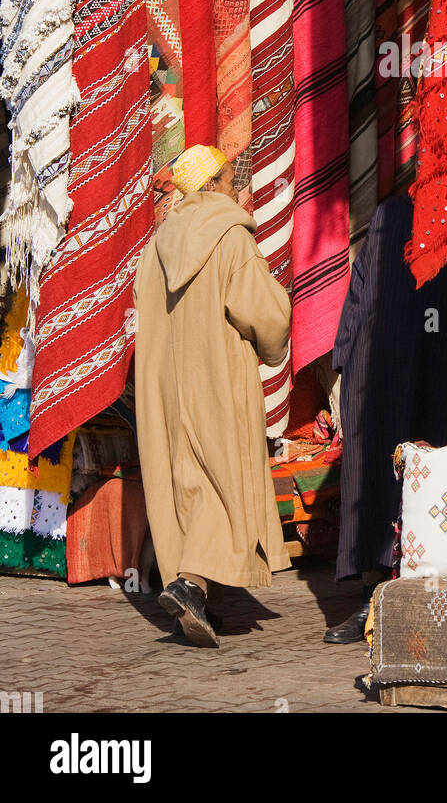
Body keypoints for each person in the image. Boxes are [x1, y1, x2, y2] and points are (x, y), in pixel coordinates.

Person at [324, 194, 447, 644]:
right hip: (384, 367)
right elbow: (361, 288)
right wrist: (348, 355)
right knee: (378, 476)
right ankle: (374, 599)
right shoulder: (389, 214)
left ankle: (438, 599)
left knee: (442, 480)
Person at [134, 144, 292, 648]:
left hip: (165, 384)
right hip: (217, 378)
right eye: (230, 178)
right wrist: (273, 345)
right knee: (222, 478)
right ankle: (190, 584)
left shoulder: (154, 248)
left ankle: (192, 590)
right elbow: (265, 314)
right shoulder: (230, 238)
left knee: (184, 479)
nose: (236, 188)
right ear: (214, 185)